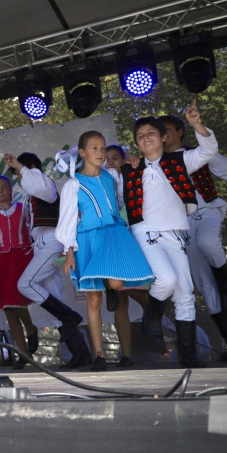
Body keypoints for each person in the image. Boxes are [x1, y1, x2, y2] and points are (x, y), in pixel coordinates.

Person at [120, 101, 218, 368]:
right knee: (166, 279)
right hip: (146, 231)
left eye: (150, 132)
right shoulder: (130, 169)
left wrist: (197, 124)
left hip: (177, 232)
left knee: (185, 292)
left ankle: (188, 356)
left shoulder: (180, 160)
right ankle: (152, 316)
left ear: (164, 137)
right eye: (140, 136)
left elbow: (208, 150)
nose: (145, 138)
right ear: (137, 144)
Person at [160, 114, 227, 363]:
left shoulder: (199, 153)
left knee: (208, 242)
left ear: (180, 131)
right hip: (180, 224)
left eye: (166, 128)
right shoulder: (154, 164)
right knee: (204, 284)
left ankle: (226, 286)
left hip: (207, 211)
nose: (162, 134)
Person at [56, 131, 154, 370]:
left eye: (102, 148)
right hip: (88, 238)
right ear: (82, 152)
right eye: (94, 148)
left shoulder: (111, 176)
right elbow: (68, 219)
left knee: (117, 283)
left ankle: (111, 290)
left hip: (113, 233)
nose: (100, 153)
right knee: (93, 298)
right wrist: (69, 251)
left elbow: (118, 202)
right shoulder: (74, 184)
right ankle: (98, 355)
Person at [3, 152, 90, 369]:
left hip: (51, 241)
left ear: (31, 167)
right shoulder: (31, 193)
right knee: (54, 299)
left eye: (18, 172)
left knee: (25, 284)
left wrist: (22, 167)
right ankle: (80, 353)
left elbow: (47, 194)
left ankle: (70, 317)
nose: (19, 176)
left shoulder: (45, 183)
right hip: (42, 244)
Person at [0, 176, 36, 370]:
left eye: (4, 187)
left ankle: (31, 329)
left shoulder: (22, 209)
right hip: (2, 262)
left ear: (11, 190)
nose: (0, 191)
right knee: (8, 308)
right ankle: (23, 353)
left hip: (22, 258)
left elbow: (33, 230)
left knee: (16, 301)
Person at [102, 144, 148, 365]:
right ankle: (127, 354)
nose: (110, 163)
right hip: (113, 239)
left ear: (124, 159)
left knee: (137, 291)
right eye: (106, 159)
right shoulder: (101, 182)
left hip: (135, 237)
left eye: (114, 158)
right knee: (119, 299)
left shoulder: (135, 175)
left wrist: (132, 167)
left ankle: (158, 324)